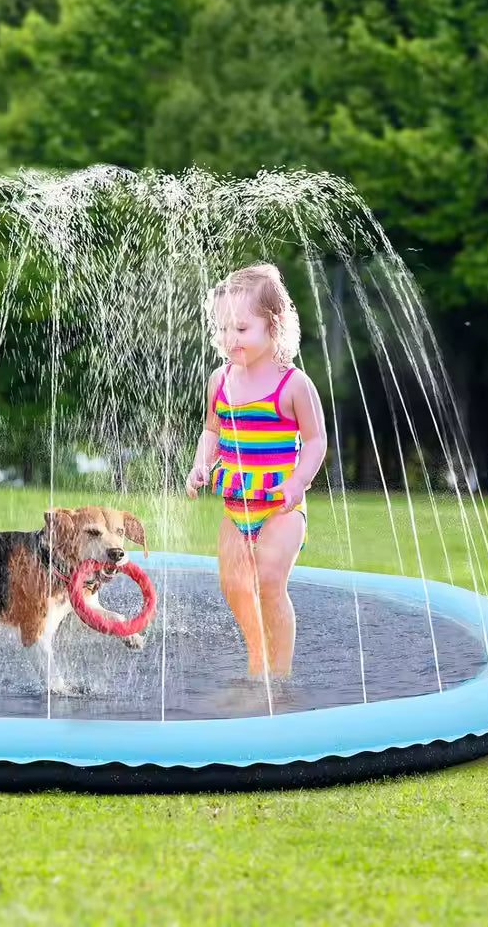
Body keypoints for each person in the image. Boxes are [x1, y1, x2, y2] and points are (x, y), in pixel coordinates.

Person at [185, 264, 327, 681]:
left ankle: (279, 676)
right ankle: (256, 662)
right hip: (236, 507)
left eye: (242, 329)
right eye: (224, 329)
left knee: (268, 581)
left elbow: (316, 441)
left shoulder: (294, 385)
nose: (231, 340)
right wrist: (201, 464)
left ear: (275, 325)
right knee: (233, 585)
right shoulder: (220, 381)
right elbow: (212, 431)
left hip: (280, 508)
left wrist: (299, 481)